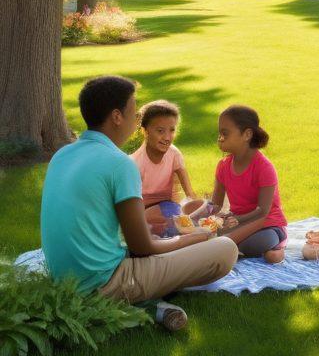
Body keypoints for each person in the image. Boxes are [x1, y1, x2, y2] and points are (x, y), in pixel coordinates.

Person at [40, 75, 238, 331]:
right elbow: (142, 246)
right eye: (133, 110)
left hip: (62, 278)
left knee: (172, 241)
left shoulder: (62, 154)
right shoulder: (121, 164)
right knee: (225, 249)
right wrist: (197, 236)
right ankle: (136, 302)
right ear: (116, 116)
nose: (137, 118)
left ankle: (148, 306)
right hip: (102, 283)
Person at [191, 105, 289, 263]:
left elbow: (263, 211)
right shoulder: (223, 166)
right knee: (211, 234)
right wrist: (194, 217)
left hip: (267, 224)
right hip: (237, 222)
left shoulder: (264, 167)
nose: (220, 138)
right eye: (219, 133)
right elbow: (215, 204)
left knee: (257, 243)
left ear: (247, 134)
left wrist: (237, 222)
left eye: (225, 133)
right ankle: (236, 247)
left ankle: (279, 243)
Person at [131, 99, 201, 229]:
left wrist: (200, 212)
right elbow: (133, 207)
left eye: (172, 130)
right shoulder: (135, 163)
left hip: (168, 207)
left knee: (186, 221)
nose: (167, 137)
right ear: (145, 131)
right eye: (160, 131)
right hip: (143, 213)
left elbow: (190, 193)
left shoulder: (174, 154)